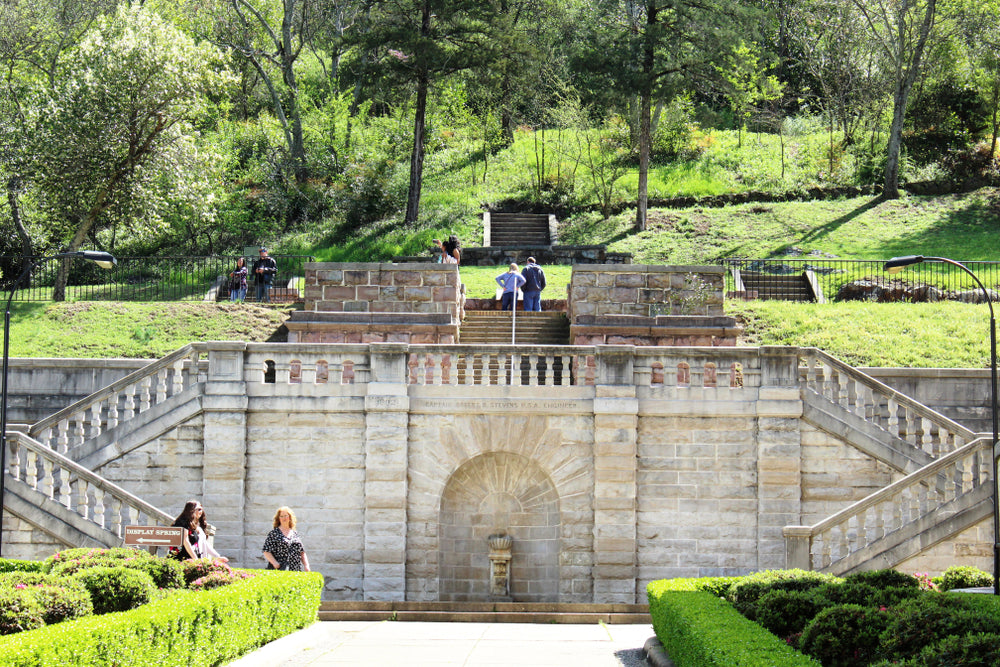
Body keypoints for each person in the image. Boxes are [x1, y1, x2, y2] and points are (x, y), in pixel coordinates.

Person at [262, 506, 310, 571]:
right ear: (278, 519)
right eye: (281, 516)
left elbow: (302, 552)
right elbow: (266, 551)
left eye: (285, 515)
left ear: (289, 517)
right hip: (280, 569)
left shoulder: (294, 534)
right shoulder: (274, 533)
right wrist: (275, 563)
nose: (283, 518)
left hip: (295, 569)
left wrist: (306, 566)